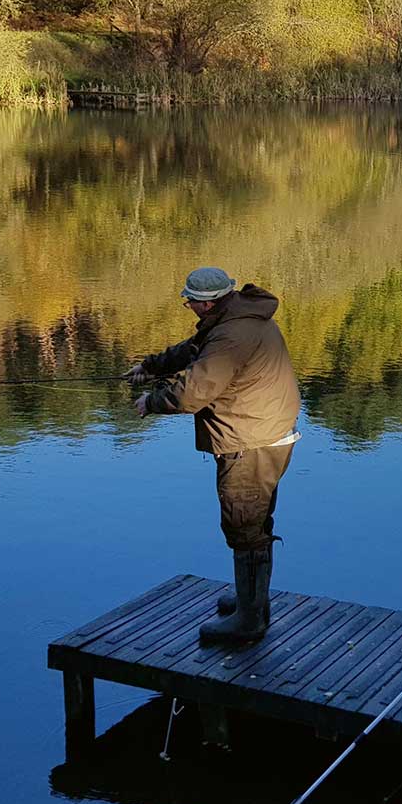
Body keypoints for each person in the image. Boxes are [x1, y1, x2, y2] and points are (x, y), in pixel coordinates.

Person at [126, 267, 301, 646]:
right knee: (253, 520)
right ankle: (251, 601)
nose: (186, 303)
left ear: (207, 304)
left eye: (189, 299)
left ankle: (250, 621)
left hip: (251, 439)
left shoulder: (231, 334)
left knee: (244, 522)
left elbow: (193, 392)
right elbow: (195, 351)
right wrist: (151, 366)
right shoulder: (235, 318)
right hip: (264, 430)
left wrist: (151, 402)